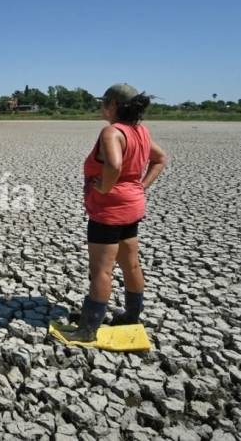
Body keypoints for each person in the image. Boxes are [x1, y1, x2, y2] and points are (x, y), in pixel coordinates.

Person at [61, 83, 168, 342]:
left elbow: (115, 164)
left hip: (109, 211)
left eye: (104, 102)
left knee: (101, 270)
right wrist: (140, 187)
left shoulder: (112, 132)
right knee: (130, 263)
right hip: (132, 207)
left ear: (114, 105)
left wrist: (106, 187)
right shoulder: (140, 131)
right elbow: (160, 158)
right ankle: (131, 317)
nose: (101, 106)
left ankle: (88, 329)